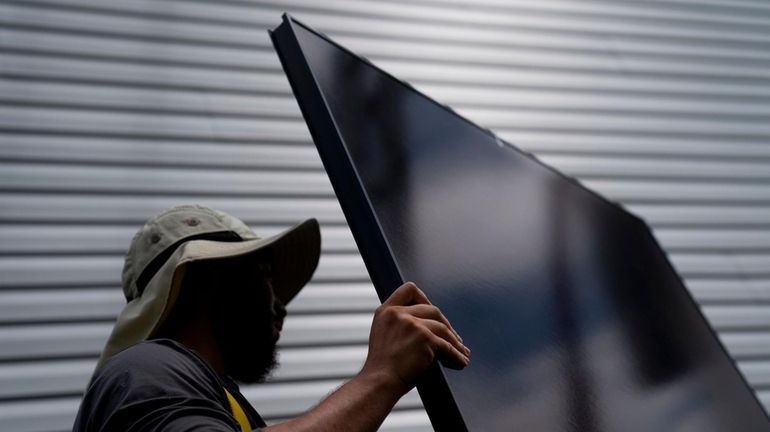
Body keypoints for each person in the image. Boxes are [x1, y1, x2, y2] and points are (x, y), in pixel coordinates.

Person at [73, 204, 470, 431]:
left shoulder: (216, 401)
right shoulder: (146, 368)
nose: (280, 304)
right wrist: (382, 376)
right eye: (265, 276)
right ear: (206, 278)